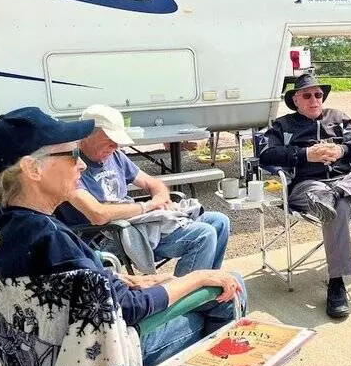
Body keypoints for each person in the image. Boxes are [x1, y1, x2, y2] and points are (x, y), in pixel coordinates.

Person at [0, 106, 244, 366]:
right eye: (71, 154)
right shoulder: (54, 241)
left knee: (194, 275)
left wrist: (128, 278)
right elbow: (127, 309)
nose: (82, 163)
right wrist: (197, 278)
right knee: (227, 292)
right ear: (33, 169)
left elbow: (80, 284)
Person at [259, 73, 351, 319]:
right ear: (296, 100)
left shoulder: (339, 118)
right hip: (309, 187)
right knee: (338, 206)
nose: (314, 99)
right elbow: (267, 155)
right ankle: (336, 284)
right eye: (307, 95)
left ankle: (339, 193)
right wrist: (304, 155)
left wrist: (342, 149)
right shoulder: (283, 125)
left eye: (318, 94)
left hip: (345, 182)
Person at [55, 104, 230, 277]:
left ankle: (208, 295)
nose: (115, 146)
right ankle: (181, 297)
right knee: (203, 235)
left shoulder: (115, 155)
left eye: (117, 141)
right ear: (87, 135)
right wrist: (147, 207)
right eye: (109, 140)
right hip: (105, 236)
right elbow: (98, 214)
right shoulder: (72, 166)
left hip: (133, 225)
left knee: (219, 222)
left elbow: (153, 183)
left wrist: (162, 199)